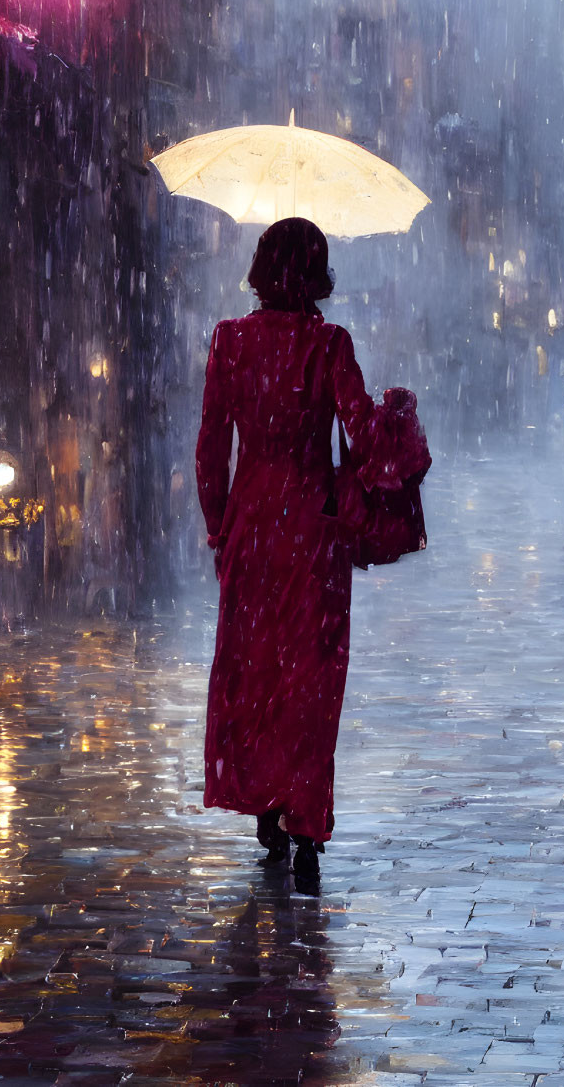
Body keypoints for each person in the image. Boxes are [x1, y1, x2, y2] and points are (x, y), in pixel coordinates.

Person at [196, 216, 403, 893]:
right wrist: (394, 417)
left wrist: (217, 527)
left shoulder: (230, 342)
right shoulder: (329, 345)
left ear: (259, 269)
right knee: (311, 682)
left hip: (253, 528)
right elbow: (361, 429)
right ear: (318, 274)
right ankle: (306, 822)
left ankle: (266, 805)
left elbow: (210, 448)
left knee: (254, 673)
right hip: (313, 532)